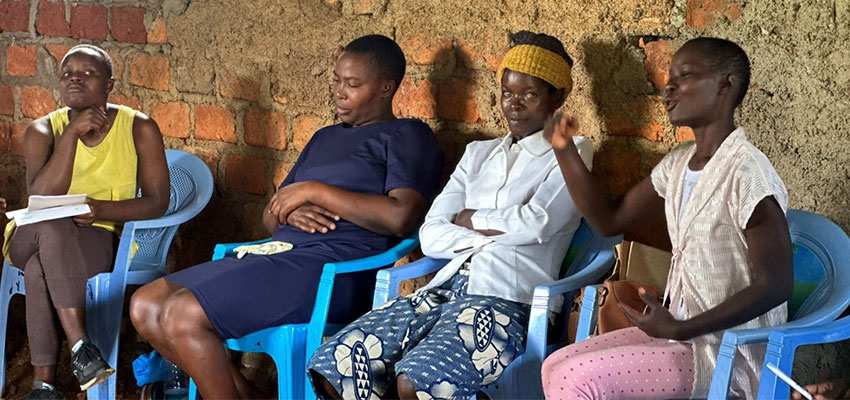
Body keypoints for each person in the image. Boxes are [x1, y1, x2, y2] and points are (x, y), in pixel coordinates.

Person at [128, 34, 444, 399]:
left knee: (182, 314)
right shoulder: (324, 138)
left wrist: (314, 191)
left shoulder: (407, 135)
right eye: (337, 81)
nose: (340, 92)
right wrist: (291, 212)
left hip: (336, 271)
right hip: (280, 256)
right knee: (146, 305)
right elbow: (270, 215)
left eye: (353, 84)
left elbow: (401, 217)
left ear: (387, 88)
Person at [307, 30, 593, 400]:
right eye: (507, 93)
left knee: (417, 381)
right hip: (442, 291)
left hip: (510, 303)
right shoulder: (478, 154)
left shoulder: (571, 151)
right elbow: (432, 235)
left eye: (530, 95)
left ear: (559, 96)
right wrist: (494, 231)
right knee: (335, 364)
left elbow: (539, 222)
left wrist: (472, 218)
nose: (514, 105)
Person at [540, 37, 793, 399]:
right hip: (679, 336)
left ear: (726, 83)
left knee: (578, 378)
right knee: (553, 365)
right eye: (668, 77)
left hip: (724, 353)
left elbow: (776, 284)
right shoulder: (678, 165)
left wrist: (684, 327)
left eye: (685, 75)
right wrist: (564, 148)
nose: (668, 87)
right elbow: (610, 220)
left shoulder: (747, 173)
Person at [6, 44, 170, 400]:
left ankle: (44, 387)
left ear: (109, 84)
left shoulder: (138, 127)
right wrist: (70, 136)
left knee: (38, 270)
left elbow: (158, 202)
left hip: (96, 235)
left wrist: (101, 210)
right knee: (50, 226)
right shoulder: (42, 130)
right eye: (67, 74)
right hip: (29, 235)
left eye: (87, 74)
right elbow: (41, 197)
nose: (74, 80)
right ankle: (81, 345)